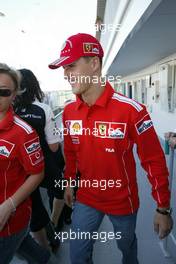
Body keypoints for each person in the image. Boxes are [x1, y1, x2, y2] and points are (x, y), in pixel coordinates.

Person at [48, 33, 173, 264]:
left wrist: (163, 208)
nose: (65, 74)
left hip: (122, 201)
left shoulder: (132, 110)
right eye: (64, 68)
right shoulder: (69, 112)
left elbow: (153, 160)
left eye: (71, 66)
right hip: (86, 198)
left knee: (127, 249)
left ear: (94, 63)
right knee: (77, 256)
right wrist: (68, 182)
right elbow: (72, 153)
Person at [14, 68, 64, 251]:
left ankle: (45, 246)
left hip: (22, 170)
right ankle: (55, 221)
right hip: (44, 163)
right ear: (34, 85)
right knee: (60, 190)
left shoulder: (10, 111)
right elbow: (54, 147)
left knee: (35, 208)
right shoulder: (43, 109)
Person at [0, 63, 44, 264]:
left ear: (14, 94)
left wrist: (8, 206)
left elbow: (38, 173)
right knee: (30, 251)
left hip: (9, 221)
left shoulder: (23, 133)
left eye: (4, 92)